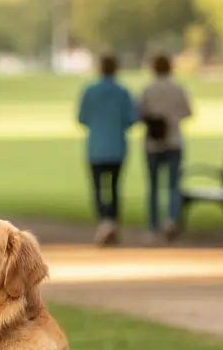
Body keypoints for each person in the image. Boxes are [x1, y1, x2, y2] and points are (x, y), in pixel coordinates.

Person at [77, 54, 136, 244]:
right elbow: (131, 119)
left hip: (96, 147)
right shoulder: (123, 92)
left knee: (98, 188)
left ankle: (103, 221)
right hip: (117, 146)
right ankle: (112, 222)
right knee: (115, 187)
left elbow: (82, 118)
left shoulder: (90, 91)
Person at [136, 54, 193, 241]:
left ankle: (153, 226)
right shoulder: (178, 88)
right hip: (174, 141)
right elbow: (188, 112)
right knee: (173, 184)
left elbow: (138, 113)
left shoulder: (148, 89)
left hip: (152, 143)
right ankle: (171, 220)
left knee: (153, 185)